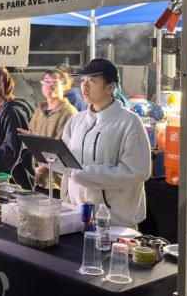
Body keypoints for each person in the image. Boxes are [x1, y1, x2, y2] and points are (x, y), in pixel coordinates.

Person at [61, 58, 151, 228]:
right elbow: (65, 163)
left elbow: (138, 171)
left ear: (110, 87)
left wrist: (84, 174)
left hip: (114, 222)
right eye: (83, 80)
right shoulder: (76, 121)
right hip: (77, 216)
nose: (84, 86)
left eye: (92, 81)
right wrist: (44, 149)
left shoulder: (129, 122)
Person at [26, 69, 77, 195]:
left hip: (55, 183)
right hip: (37, 179)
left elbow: (60, 147)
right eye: (47, 81)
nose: (50, 85)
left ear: (64, 86)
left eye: (55, 81)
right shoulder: (39, 111)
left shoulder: (69, 113)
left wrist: (40, 170)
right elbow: (32, 140)